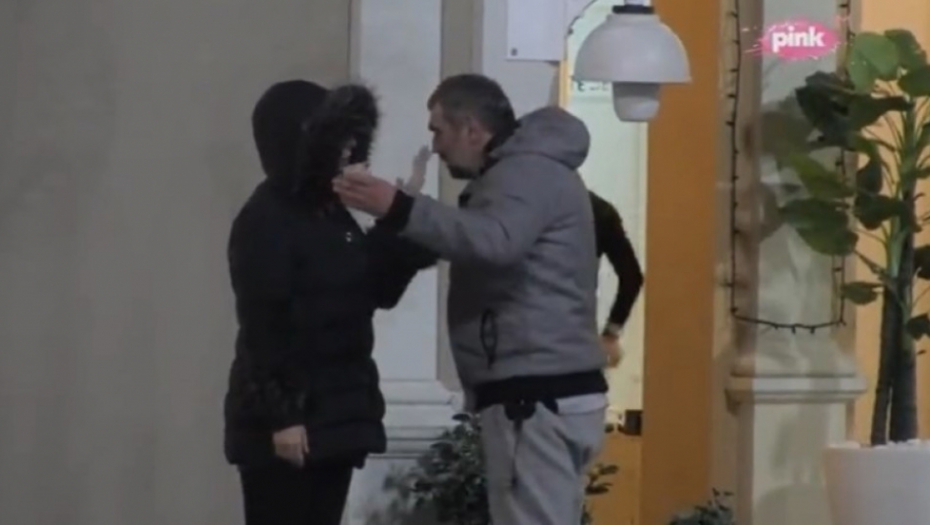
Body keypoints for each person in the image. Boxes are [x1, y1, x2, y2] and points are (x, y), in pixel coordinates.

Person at [333, 74, 607, 525]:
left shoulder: (524, 171)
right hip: (544, 391)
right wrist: (403, 227)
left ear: (472, 129)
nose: (436, 146)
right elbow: (479, 240)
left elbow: (494, 241)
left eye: (439, 130)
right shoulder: (525, 171)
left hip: (534, 395)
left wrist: (399, 207)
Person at [223, 79, 433, 525]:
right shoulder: (266, 217)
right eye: (338, 137)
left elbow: (374, 291)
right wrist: (283, 417)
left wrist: (402, 219)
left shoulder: (330, 212)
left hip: (338, 410)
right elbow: (264, 324)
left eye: (352, 137)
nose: (348, 148)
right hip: (292, 419)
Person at [589, 191, 644, 367]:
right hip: (578, 338)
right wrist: (610, 334)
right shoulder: (598, 209)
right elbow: (632, 276)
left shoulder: (522, 208)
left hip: (523, 342)